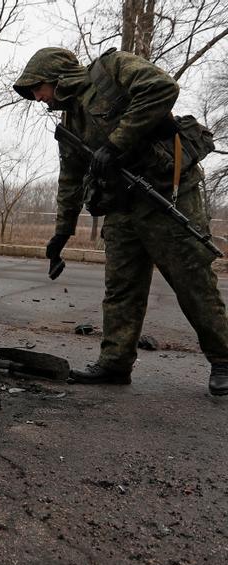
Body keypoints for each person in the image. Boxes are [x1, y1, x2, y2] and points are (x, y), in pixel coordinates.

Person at [13, 47, 228, 396]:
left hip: (167, 191)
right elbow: (70, 179)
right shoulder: (70, 123)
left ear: (58, 78)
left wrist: (114, 144)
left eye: (38, 88)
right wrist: (61, 234)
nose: (38, 97)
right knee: (121, 287)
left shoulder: (112, 69)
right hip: (122, 205)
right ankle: (115, 363)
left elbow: (163, 88)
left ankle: (223, 360)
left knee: (192, 280)